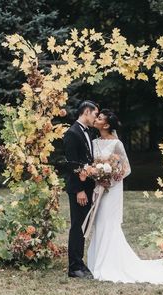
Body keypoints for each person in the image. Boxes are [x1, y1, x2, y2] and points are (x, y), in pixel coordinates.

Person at [87, 109, 163, 284]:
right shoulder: (94, 142)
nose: (96, 119)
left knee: (108, 222)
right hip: (98, 189)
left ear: (106, 124)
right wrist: (97, 176)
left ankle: (110, 263)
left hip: (111, 190)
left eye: (100, 118)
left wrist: (110, 179)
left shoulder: (116, 143)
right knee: (99, 221)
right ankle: (96, 260)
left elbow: (126, 169)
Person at [63, 100, 99, 278]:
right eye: (94, 114)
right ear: (86, 111)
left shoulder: (88, 132)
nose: (96, 118)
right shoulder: (72, 133)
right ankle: (73, 267)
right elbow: (72, 165)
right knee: (77, 226)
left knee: (84, 227)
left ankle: (80, 262)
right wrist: (79, 190)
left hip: (88, 186)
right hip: (79, 189)